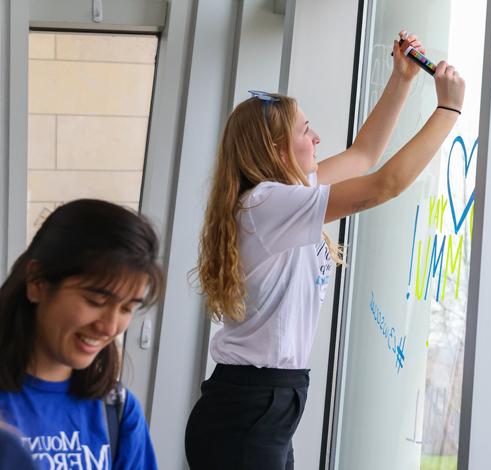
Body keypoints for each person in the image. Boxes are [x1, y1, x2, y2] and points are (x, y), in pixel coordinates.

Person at [184, 30, 465, 470]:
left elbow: (363, 155)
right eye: (305, 129)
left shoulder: (285, 197)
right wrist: (448, 111)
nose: (316, 138)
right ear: (275, 150)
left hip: (269, 402)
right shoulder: (265, 203)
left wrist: (402, 79)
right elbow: (382, 186)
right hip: (247, 410)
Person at [0, 199, 164, 470]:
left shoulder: (118, 411)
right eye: (96, 300)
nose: (110, 327)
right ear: (37, 282)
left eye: (126, 308)